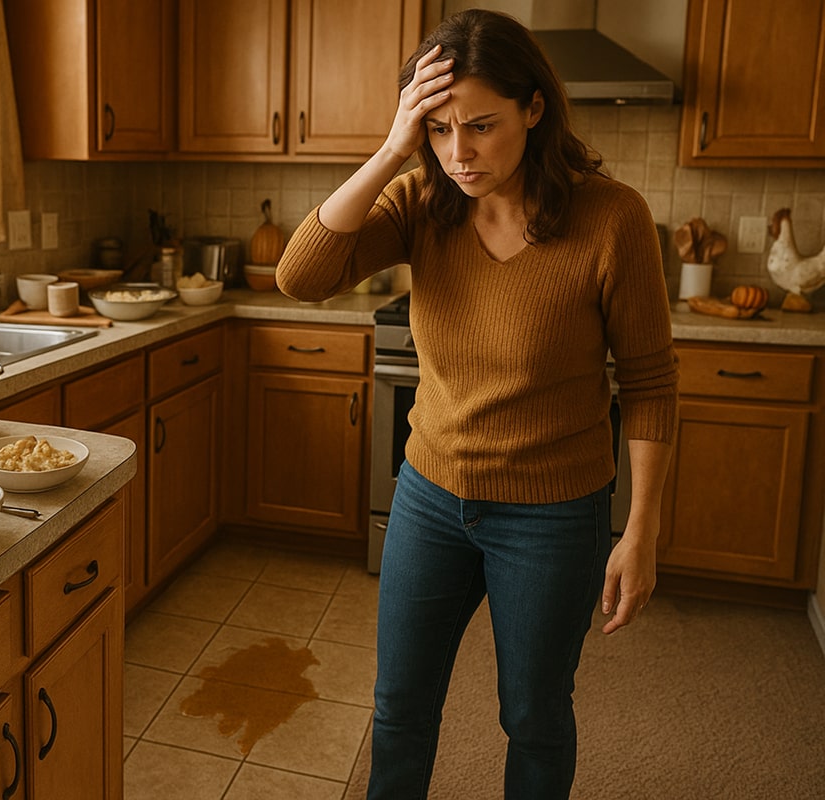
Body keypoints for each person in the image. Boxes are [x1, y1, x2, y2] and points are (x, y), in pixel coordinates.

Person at [275, 9, 679, 799]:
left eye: (483, 126)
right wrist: (394, 148)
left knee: (533, 714)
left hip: (555, 511)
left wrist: (642, 529)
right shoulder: (423, 201)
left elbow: (651, 381)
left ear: (535, 109)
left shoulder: (612, 217)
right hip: (428, 497)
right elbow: (300, 276)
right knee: (398, 710)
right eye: (439, 129)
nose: (459, 153)